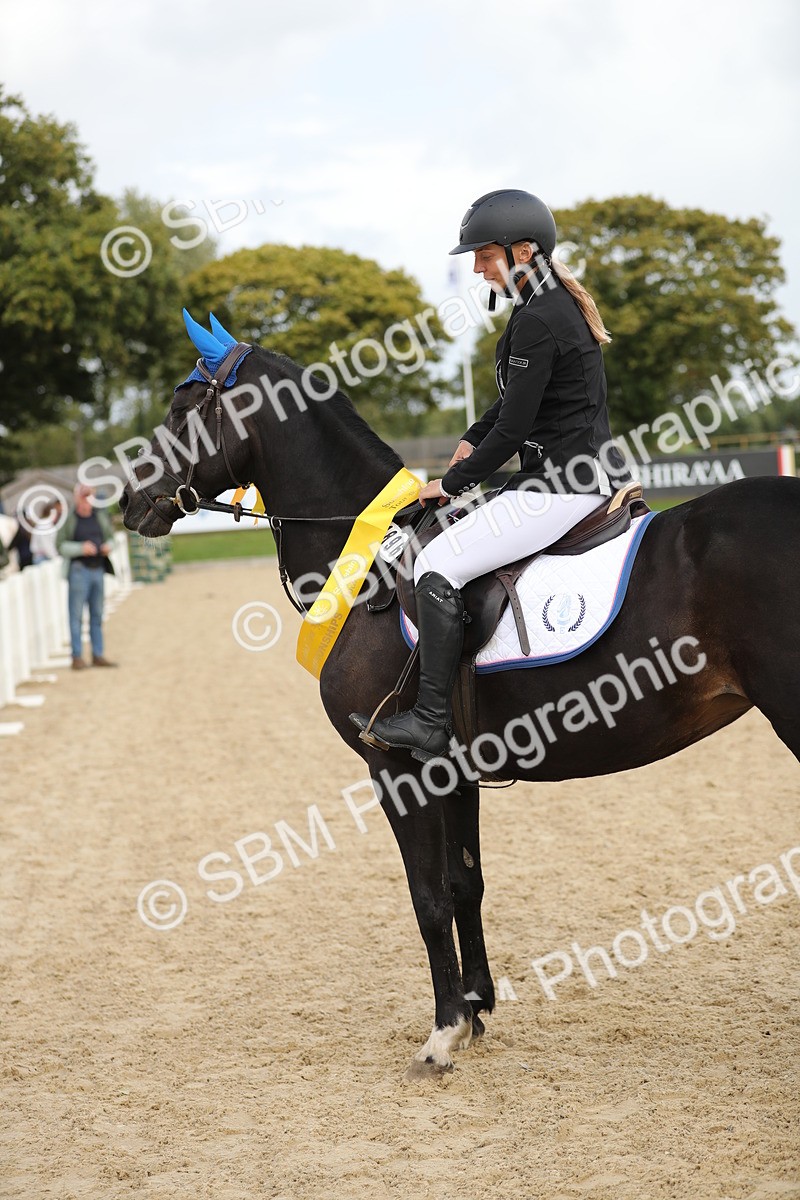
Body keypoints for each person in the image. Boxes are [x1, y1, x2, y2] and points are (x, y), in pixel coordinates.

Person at [351, 188, 630, 761]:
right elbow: (508, 410)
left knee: (434, 565)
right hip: (563, 478)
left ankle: (430, 721)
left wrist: (451, 483)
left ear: (523, 251)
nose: (478, 269)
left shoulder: (540, 318)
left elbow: (514, 430)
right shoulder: (543, 308)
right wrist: (471, 438)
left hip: (563, 487)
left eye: (484, 256)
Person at [57, 484, 118, 670]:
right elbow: (60, 545)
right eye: (83, 496)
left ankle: (98, 654)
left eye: (88, 496)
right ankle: (76, 656)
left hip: (98, 569)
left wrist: (109, 546)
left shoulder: (99, 517)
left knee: (97, 615)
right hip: (79, 570)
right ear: (76, 498)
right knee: (76, 616)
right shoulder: (70, 520)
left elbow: (112, 538)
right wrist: (80, 548)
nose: (86, 499)